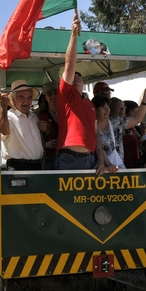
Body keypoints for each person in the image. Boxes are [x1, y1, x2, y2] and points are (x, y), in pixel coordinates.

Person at [56, 11, 111, 175]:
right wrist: (73, 35)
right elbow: (69, 63)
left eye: (79, 75)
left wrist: (101, 160)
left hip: (91, 160)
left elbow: (96, 136)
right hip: (69, 159)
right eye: (74, 75)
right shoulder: (65, 95)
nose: (76, 76)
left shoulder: (90, 104)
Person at [94, 88, 146, 170]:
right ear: (95, 110)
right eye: (103, 108)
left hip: (118, 167)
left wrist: (145, 102)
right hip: (101, 170)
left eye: (108, 107)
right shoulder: (91, 126)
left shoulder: (116, 121)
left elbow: (137, 119)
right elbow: (99, 148)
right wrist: (108, 164)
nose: (107, 110)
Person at [0, 79, 44, 171]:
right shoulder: (9, 116)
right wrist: (3, 108)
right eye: (22, 98)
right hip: (18, 166)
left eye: (29, 98)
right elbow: (4, 130)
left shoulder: (34, 117)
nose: (26, 102)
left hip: (37, 166)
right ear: (13, 100)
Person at [36, 83, 60, 170]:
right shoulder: (39, 116)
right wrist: (46, 145)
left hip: (65, 159)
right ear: (45, 98)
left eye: (56, 93)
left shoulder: (67, 114)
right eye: (49, 94)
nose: (53, 96)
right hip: (48, 159)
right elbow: (32, 141)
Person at [121, 100, 141, 168]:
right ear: (126, 113)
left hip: (134, 162)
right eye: (134, 112)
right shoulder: (121, 127)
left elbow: (139, 140)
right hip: (124, 164)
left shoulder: (133, 128)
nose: (137, 115)